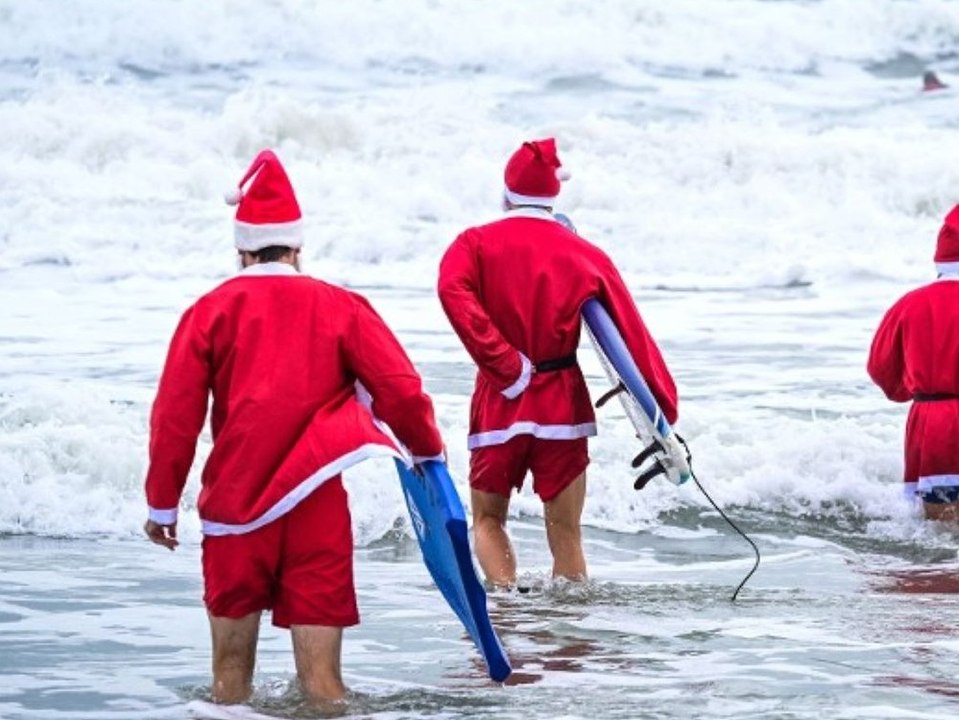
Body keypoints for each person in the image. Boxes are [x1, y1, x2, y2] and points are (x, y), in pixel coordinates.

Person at [143, 149, 444, 704]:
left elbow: (174, 419)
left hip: (235, 514)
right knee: (325, 689)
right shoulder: (343, 306)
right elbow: (402, 390)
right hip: (316, 510)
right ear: (298, 248)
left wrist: (162, 505)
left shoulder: (208, 311)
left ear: (241, 250)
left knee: (229, 683)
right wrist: (428, 456)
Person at [437, 137, 678, 589]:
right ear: (553, 197)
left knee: (488, 520)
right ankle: (568, 633)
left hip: (498, 404)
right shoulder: (583, 252)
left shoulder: (472, 244)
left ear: (507, 193)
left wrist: (504, 364)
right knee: (567, 534)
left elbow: (452, 292)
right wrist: (663, 412)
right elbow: (630, 333)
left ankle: (507, 604)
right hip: (562, 407)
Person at [867, 203, 959, 522]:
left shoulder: (910, 304)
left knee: (942, 530)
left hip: (931, 423)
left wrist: (915, 389)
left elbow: (881, 368)